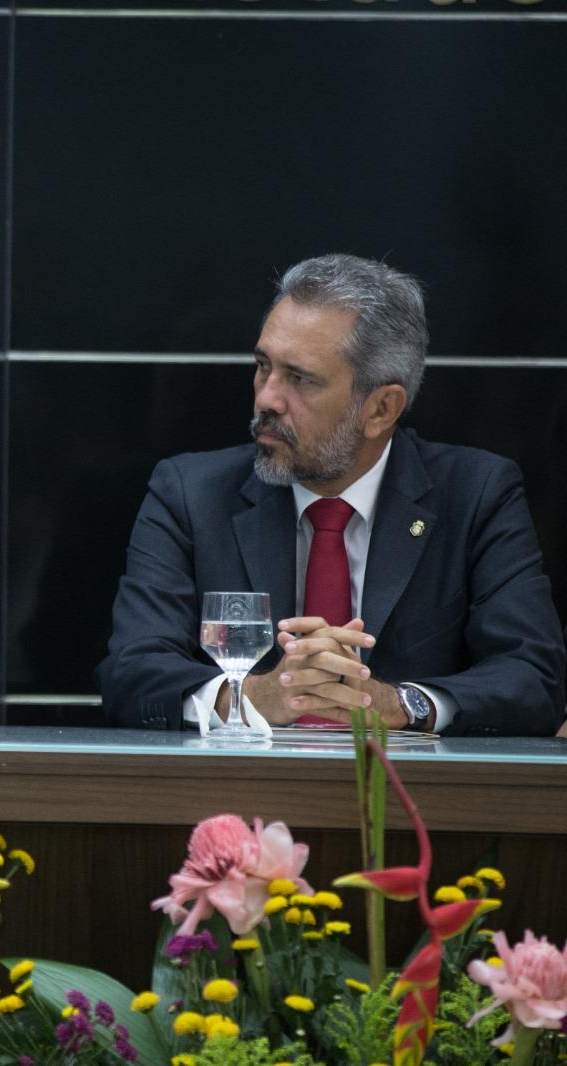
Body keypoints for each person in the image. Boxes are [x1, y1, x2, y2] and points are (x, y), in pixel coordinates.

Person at [99, 254, 565, 736]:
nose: (267, 398)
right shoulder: (191, 495)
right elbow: (132, 672)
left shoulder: (476, 495)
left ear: (381, 409)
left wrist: (399, 704)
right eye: (263, 366)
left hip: (408, 783)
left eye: (300, 379)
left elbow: (533, 678)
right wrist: (251, 698)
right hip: (240, 782)